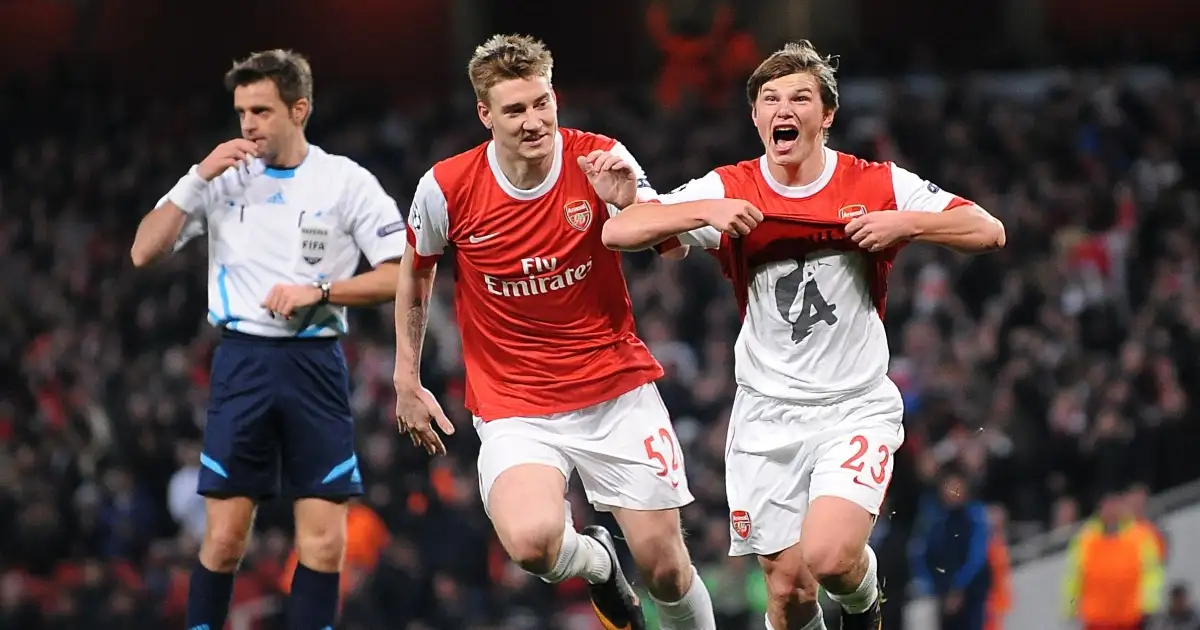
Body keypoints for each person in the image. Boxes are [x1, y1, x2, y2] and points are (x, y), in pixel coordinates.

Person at [601, 40, 1005, 630]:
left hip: (852, 407)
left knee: (831, 559)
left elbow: (987, 229)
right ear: (757, 117)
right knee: (788, 593)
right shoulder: (731, 186)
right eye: (769, 99)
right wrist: (702, 214)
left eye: (799, 97)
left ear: (827, 115)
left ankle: (865, 607)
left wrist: (906, 223)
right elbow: (623, 230)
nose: (783, 108)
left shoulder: (873, 183)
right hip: (766, 416)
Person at [391, 34, 717, 630]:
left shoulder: (601, 156)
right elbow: (416, 276)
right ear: (485, 115)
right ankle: (599, 563)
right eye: (515, 110)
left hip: (614, 390)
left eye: (542, 103)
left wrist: (627, 204)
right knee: (534, 546)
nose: (534, 120)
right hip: (516, 405)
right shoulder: (446, 187)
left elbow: (670, 248)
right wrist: (405, 377)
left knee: (668, 570)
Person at [130, 49, 407, 630]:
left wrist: (322, 291)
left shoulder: (344, 181)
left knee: (325, 544)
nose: (248, 124)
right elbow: (142, 251)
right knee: (226, 539)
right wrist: (195, 176)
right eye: (241, 111)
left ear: (298, 109)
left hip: (316, 365)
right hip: (243, 363)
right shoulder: (220, 178)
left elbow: (398, 272)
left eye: (261, 110)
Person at [909, 466, 993, 630]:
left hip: (971, 594)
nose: (953, 492)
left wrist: (958, 587)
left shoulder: (974, 515)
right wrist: (934, 586)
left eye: (957, 487)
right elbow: (919, 553)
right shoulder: (933, 518)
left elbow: (977, 557)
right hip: (941, 593)